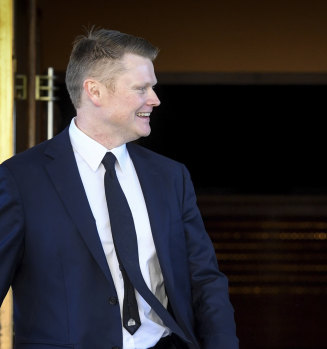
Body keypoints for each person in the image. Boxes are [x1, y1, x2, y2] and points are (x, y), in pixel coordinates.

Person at [0, 28, 238, 349]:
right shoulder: (19, 179)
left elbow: (205, 280)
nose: (155, 99)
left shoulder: (170, 176)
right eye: (141, 88)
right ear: (94, 92)